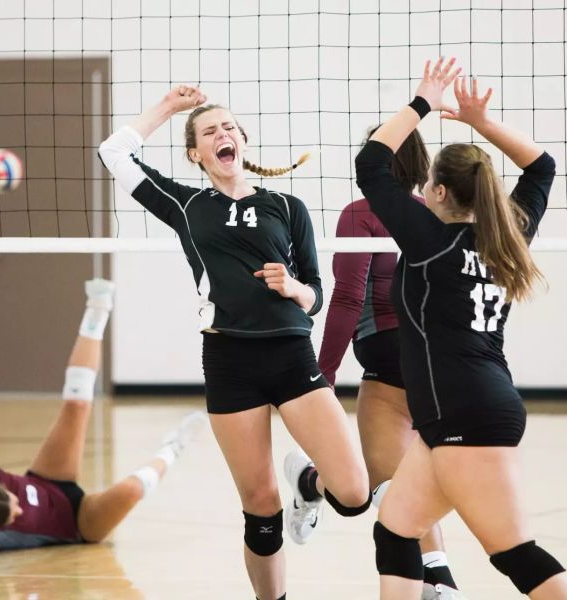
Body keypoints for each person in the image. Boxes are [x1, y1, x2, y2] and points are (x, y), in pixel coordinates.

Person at [99, 85, 370, 600]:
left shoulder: (288, 207)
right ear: (195, 154)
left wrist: (293, 288)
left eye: (228, 127)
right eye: (208, 131)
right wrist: (170, 108)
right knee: (260, 503)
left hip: (291, 355)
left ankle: (307, 485)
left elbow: (316, 295)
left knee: (354, 494)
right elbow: (113, 152)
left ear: (242, 141)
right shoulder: (185, 205)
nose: (222, 134)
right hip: (230, 359)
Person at [356, 57, 567, 600]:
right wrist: (482, 125)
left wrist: (422, 104)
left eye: (430, 182)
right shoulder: (509, 236)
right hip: (463, 409)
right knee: (395, 531)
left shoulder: (430, 242)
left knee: (513, 553)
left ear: (435, 193)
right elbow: (542, 168)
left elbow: (371, 163)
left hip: (466, 412)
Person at [0, 279, 204, 560]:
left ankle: (98, 307)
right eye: (13, 516)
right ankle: (172, 449)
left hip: (49, 480)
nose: (19, 511)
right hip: (79, 523)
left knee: (77, 405)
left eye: (13, 503)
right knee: (130, 489)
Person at [318, 130, 466, 600]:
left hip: (387, 356)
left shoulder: (363, 213)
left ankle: (307, 480)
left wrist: (321, 377)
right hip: (439, 362)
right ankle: (440, 578)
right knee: (407, 481)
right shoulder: (438, 216)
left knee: (381, 490)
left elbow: (346, 298)